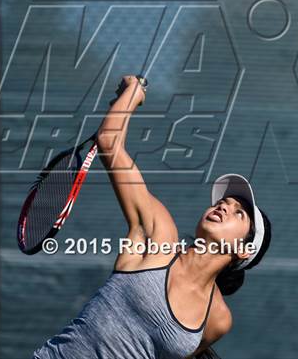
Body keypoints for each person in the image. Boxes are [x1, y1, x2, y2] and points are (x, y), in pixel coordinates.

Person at [32, 76, 272, 359]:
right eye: (222, 202)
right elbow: (110, 142)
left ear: (243, 250)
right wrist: (133, 94)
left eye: (238, 213)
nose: (222, 207)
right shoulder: (158, 237)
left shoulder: (218, 320)